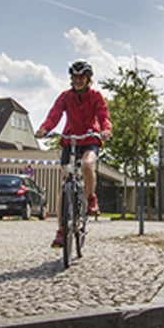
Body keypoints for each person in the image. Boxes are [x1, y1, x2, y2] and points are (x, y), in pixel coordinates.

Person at [36, 60, 112, 248]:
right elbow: (54, 115)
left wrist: (106, 130)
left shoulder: (96, 96)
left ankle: (91, 197)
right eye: (75, 77)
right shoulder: (65, 97)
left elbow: (103, 116)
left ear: (88, 79)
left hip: (90, 138)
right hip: (70, 140)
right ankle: (62, 230)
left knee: (87, 165)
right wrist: (44, 129)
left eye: (82, 77)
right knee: (65, 183)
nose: (78, 81)